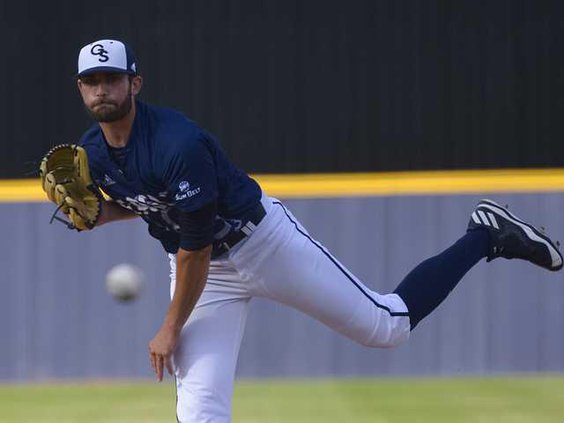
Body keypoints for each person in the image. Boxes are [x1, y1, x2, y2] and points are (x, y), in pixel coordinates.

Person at [73, 39, 562, 422]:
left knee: (386, 327)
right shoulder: (92, 152)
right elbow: (147, 201)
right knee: (200, 413)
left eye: (112, 79)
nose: (102, 90)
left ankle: (485, 234)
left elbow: (194, 250)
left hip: (261, 244)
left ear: (135, 84)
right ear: (80, 89)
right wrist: (99, 214)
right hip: (206, 271)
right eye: (91, 81)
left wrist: (169, 327)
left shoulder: (177, 142)